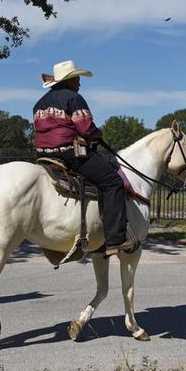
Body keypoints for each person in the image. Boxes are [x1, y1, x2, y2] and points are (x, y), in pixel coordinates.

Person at [33, 60, 133, 257]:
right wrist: (97, 134)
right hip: (69, 154)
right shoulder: (74, 98)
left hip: (43, 156)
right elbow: (85, 128)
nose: (79, 83)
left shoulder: (39, 103)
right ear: (69, 81)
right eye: (77, 79)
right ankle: (115, 239)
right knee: (113, 183)